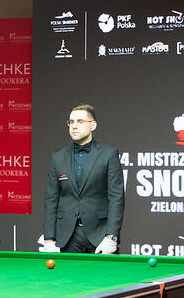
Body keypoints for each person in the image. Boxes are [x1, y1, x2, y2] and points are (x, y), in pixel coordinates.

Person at [40, 104, 124, 254]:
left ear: (93, 125)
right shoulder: (58, 156)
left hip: (100, 234)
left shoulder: (109, 154)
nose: (74, 126)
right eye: (71, 122)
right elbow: (51, 199)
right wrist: (49, 239)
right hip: (67, 236)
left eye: (80, 121)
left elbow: (116, 198)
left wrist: (111, 237)